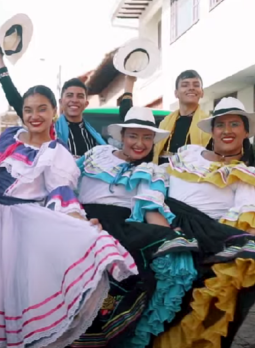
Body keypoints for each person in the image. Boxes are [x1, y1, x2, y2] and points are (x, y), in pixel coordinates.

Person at [0, 85, 136, 348]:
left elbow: (63, 198)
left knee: (20, 288)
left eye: (42, 109)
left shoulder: (56, 154)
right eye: (28, 110)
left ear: (54, 112)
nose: (34, 115)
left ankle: (21, 340)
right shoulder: (8, 138)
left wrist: (83, 224)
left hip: (26, 226)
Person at [73, 106, 198, 348]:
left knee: (172, 254)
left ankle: (107, 335)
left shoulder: (150, 171)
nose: (139, 143)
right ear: (122, 136)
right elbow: (68, 184)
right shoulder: (97, 155)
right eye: (133, 135)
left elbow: (151, 210)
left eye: (147, 137)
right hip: (81, 221)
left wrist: (168, 235)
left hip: (119, 229)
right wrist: (75, 217)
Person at [153, 97, 255, 348]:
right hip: (161, 230)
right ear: (212, 130)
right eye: (221, 124)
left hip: (201, 245)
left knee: (184, 320)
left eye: (235, 124)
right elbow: (156, 185)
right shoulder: (187, 154)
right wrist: (162, 225)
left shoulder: (248, 176)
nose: (227, 130)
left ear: (245, 131)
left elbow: (250, 223)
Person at [0, 38, 106, 158]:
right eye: (69, 95)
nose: (74, 100)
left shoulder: (94, 134)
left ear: (86, 103)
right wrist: (0, 61)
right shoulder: (47, 129)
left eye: (80, 96)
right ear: (61, 102)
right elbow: (13, 97)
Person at [120, 70, 211, 164]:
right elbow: (130, 120)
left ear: (202, 92)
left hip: (192, 177)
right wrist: (129, 83)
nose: (191, 88)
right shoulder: (163, 123)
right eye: (185, 85)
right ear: (176, 93)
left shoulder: (208, 125)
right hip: (159, 175)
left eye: (196, 85)